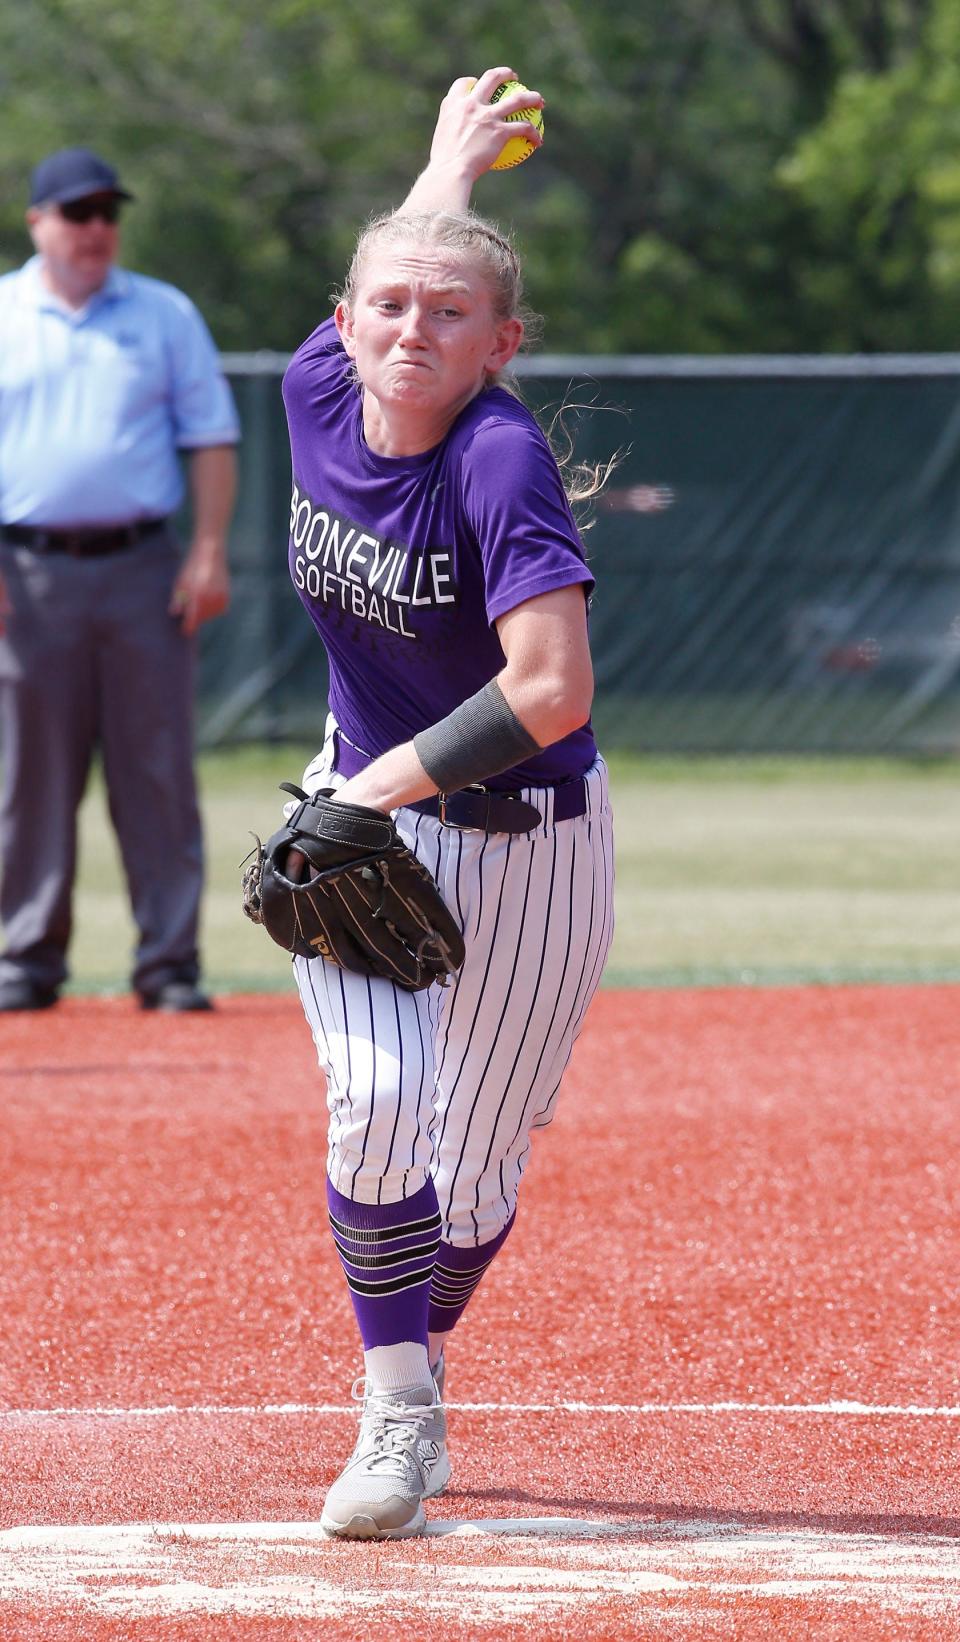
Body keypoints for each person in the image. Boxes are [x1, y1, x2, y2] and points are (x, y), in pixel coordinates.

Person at [280, 68, 615, 1539]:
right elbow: (409, 252)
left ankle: (416, 1318)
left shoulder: (498, 459)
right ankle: (399, 1411)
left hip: (529, 845)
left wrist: (375, 788)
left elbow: (551, 688)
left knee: (469, 1184)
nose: (412, 328)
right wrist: (446, 169)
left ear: (503, 346)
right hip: (364, 813)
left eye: (451, 313)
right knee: (379, 1100)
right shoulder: (311, 385)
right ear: (344, 318)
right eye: (388, 306)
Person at [0, 146, 240, 1013]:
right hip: (24, 574)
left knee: (157, 769)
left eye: (107, 211)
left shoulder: (163, 314)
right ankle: (26, 958)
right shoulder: (4, 313)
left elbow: (211, 436)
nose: (96, 228)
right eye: (77, 212)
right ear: (38, 222)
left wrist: (207, 550)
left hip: (143, 567)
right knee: (29, 773)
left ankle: (169, 961)